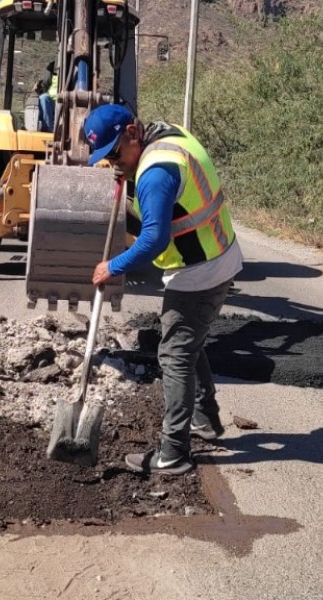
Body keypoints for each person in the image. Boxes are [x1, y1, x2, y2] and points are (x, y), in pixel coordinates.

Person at [83, 104, 244, 475]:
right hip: (217, 255)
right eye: (106, 158)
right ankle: (206, 419)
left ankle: (173, 453)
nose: (112, 163)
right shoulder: (166, 135)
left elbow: (154, 239)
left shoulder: (156, 172)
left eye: (115, 154)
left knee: (173, 354)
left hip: (200, 270)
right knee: (189, 342)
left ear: (133, 134)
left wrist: (113, 266)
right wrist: (127, 175)